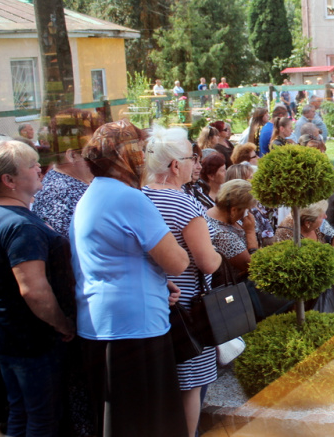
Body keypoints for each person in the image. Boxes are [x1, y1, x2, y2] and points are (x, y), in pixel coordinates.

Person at [71, 120, 189, 437]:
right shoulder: (129, 198)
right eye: (140, 149)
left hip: (100, 325)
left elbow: (108, 258)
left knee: (118, 421)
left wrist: (157, 280)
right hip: (136, 329)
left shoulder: (90, 196)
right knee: (148, 422)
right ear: (127, 156)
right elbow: (177, 261)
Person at [0, 140, 76, 437]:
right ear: (9, 180)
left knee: (20, 409)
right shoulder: (21, 227)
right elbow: (33, 290)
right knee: (43, 418)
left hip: (3, 332)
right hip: (29, 340)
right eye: (32, 166)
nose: (39, 170)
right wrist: (63, 323)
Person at [141, 125, 222, 437]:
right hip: (189, 312)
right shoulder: (183, 204)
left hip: (157, 305)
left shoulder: (142, 197)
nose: (196, 165)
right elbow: (208, 262)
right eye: (192, 158)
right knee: (191, 385)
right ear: (176, 165)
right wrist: (217, 249)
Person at [205, 179, 258, 280]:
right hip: (236, 291)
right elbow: (253, 266)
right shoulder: (222, 234)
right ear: (234, 209)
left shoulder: (225, 217)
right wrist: (250, 233)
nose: (247, 213)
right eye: (246, 209)